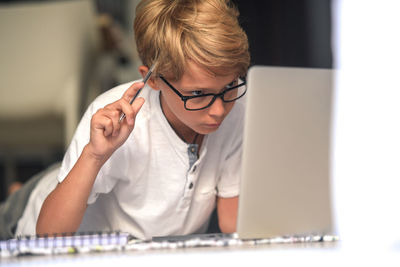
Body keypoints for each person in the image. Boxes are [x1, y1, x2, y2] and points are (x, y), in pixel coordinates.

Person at [13, 0, 250, 240]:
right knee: (25, 201)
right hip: (42, 223)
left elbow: (233, 222)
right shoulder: (112, 118)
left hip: (151, 247)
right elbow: (48, 235)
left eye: (230, 85)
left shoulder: (238, 108)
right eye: (198, 94)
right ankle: (21, 193)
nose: (219, 110)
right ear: (153, 79)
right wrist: (95, 156)